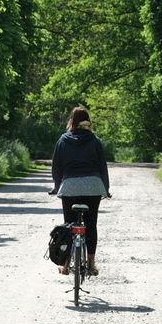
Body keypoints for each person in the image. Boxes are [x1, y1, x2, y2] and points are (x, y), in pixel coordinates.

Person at [50, 105, 111, 276]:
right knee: (91, 225)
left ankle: (66, 263)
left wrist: (56, 186)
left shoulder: (63, 140)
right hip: (93, 186)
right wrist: (106, 188)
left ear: (72, 121)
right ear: (88, 121)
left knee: (69, 225)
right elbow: (102, 167)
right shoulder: (95, 140)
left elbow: (56, 167)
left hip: (69, 187)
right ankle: (91, 264)